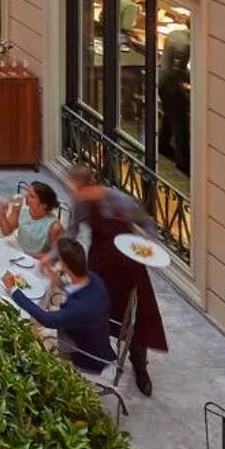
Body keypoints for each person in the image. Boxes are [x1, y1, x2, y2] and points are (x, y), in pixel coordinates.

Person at [67, 164, 168, 396]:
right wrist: (55, 256)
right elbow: (71, 233)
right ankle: (94, 359)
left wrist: (148, 246)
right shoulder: (81, 202)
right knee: (96, 312)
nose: (73, 193)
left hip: (129, 265)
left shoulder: (119, 200)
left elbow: (147, 222)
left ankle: (140, 367)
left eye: (75, 188)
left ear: (85, 186)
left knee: (136, 317)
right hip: (100, 265)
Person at [6, 238, 113, 374]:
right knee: (47, 301)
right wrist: (54, 277)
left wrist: (13, 290)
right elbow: (75, 289)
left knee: (28, 329)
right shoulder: (93, 279)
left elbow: (46, 320)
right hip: (93, 336)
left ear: (65, 266)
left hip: (84, 353)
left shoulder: (81, 308)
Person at [0, 181, 65, 261]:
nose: (25, 196)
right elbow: (6, 232)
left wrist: (36, 256)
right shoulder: (21, 208)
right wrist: (2, 214)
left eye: (32, 196)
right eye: (27, 193)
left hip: (36, 258)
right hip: (18, 246)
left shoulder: (54, 227)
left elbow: (57, 254)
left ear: (44, 205)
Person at [156, 31, 192, 174]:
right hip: (170, 85)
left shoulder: (175, 34)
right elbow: (177, 71)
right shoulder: (185, 45)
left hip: (162, 79)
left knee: (169, 113)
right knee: (180, 122)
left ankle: (163, 145)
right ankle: (182, 160)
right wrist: (190, 82)